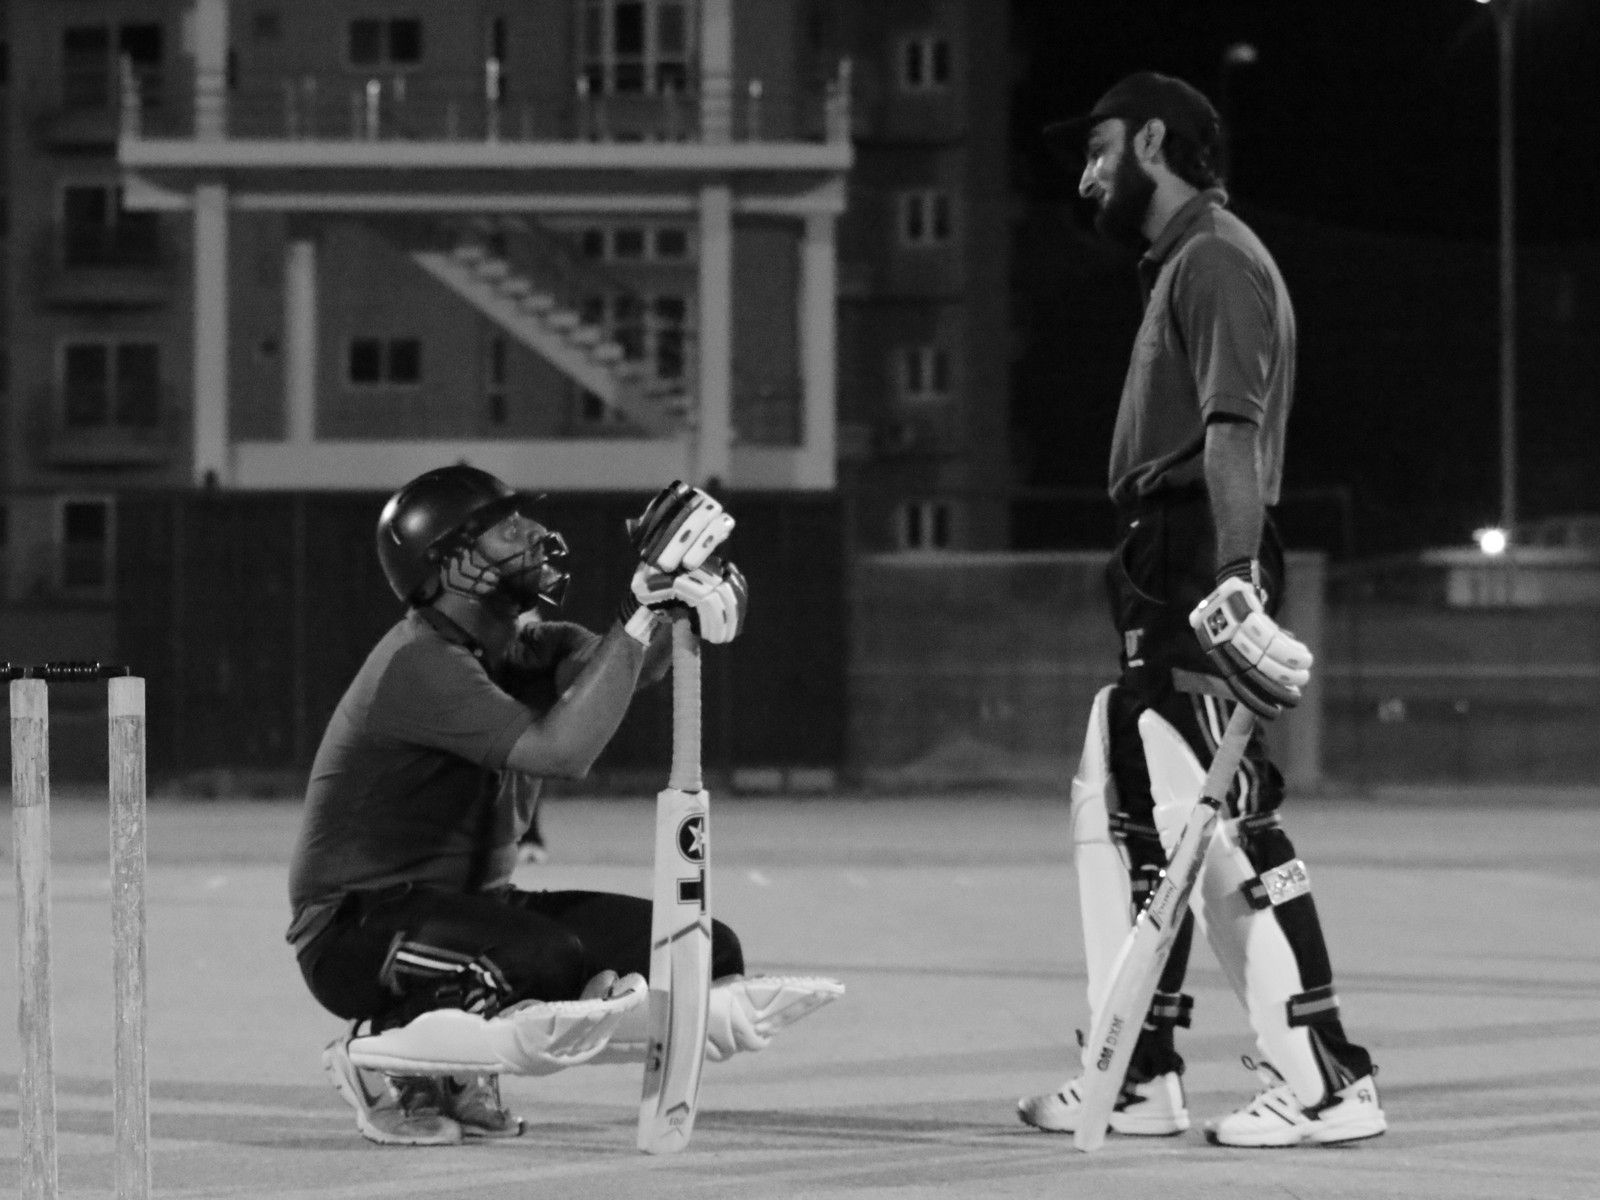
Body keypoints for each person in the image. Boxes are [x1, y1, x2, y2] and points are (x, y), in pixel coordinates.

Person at [1016, 73, 1386, 1148]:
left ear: (1154, 142)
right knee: (1123, 795)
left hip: (1197, 553)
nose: (1087, 176)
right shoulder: (1181, 264)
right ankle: (1133, 1073)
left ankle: (1325, 1081)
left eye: (1099, 149)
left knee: (1212, 810)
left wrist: (1232, 578)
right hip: (1162, 551)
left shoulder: (1216, 258)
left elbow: (1233, 431)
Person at [288, 466, 840, 1146]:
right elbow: (563, 751)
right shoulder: (419, 662)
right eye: (506, 530)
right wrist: (639, 612)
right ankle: (383, 1056)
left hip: (470, 908)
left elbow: (627, 665)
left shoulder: (521, 643)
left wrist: (685, 603)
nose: (534, 535)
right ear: (446, 565)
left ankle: (460, 1051)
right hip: (358, 929)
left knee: (704, 949)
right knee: (540, 959)